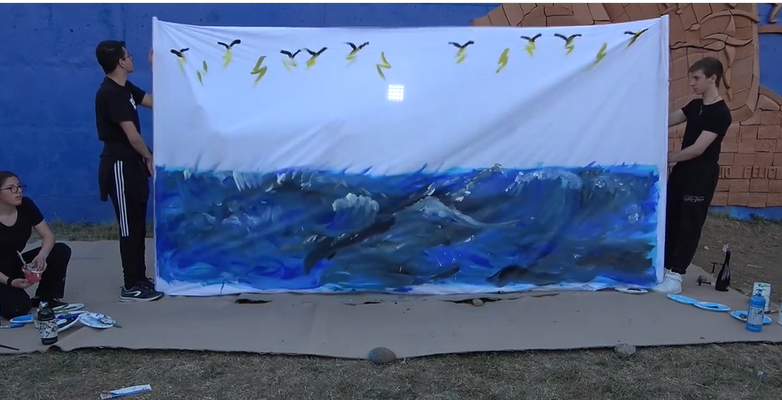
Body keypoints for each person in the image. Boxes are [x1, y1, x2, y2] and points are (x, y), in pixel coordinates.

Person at [652, 57, 732, 294]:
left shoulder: (720, 113)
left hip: (701, 173)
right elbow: (665, 121)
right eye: (691, 78)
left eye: (697, 78)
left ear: (712, 78)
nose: (692, 83)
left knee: (689, 223)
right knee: (671, 217)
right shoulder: (695, 106)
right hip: (682, 171)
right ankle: (665, 268)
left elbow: (698, 149)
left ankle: (676, 276)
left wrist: (666, 158)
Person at [94, 40, 163, 302]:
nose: (132, 58)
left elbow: (155, 102)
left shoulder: (126, 89)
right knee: (128, 227)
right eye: (129, 55)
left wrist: (157, 69)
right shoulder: (110, 93)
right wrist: (149, 156)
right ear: (121, 62)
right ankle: (130, 284)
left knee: (137, 223)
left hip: (133, 164)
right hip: (119, 165)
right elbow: (132, 136)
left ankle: (140, 278)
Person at [0, 171, 72, 319]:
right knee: (17, 309)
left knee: (60, 250)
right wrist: (10, 282)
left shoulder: (26, 205)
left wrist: (42, 255)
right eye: (11, 188)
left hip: (14, 263)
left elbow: (48, 236)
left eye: (19, 186)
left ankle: (45, 297)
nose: (18, 191)